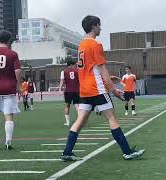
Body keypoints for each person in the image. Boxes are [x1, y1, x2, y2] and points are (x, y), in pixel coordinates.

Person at [60, 15, 145, 161]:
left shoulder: (81, 46)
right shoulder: (95, 45)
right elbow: (102, 70)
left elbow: (88, 70)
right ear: (94, 26)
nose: (101, 28)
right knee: (112, 119)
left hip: (85, 90)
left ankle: (67, 152)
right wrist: (113, 89)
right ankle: (127, 151)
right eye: (99, 25)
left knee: (79, 121)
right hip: (97, 89)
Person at [59, 59, 80, 126]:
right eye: (73, 65)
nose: (74, 66)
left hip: (68, 91)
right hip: (76, 91)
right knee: (77, 106)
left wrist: (60, 89)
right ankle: (80, 121)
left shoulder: (63, 72)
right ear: (70, 65)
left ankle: (67, 122)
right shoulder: (77, 71)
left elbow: (62, 81)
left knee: (67, 106)